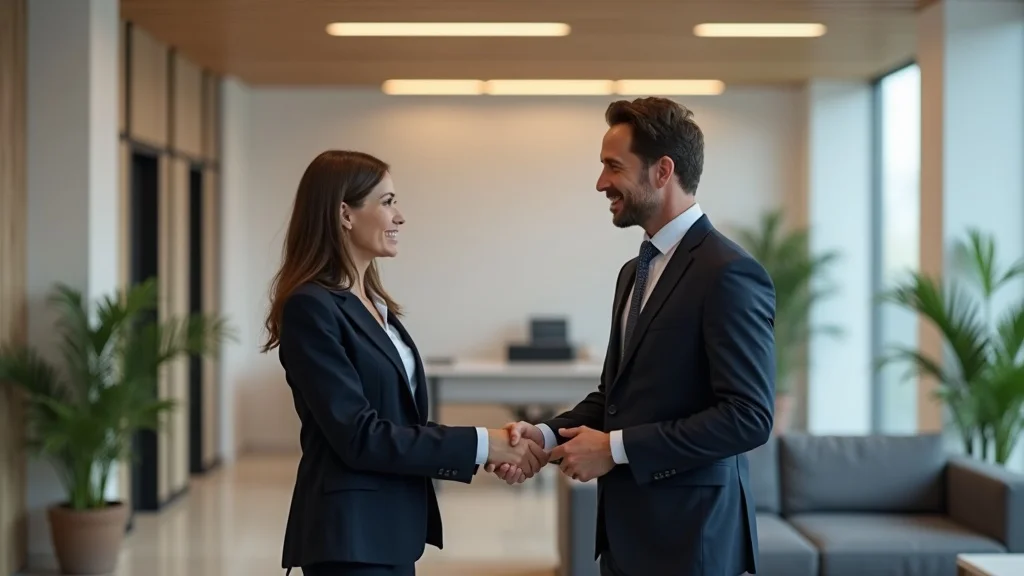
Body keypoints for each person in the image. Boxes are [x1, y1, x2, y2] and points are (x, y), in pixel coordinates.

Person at [490, 98, 776, 576]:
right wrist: (542, 437)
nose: (601, 183)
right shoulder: (634, 272)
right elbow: (616, 398)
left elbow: (748, 418)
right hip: (626, 537)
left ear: (662, 171)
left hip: (693, 542)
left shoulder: (728, 273)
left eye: (613, 166)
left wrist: (615, 449)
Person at [262, 150, 548, 576]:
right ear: (344, 213)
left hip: (390, 527)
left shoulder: (374, 305)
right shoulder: (312, 307)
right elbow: (359, 435)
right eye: (387, 201)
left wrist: (489, 445)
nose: (400, 217)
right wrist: (485, 443)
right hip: (350, 536)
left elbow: (400, 421)